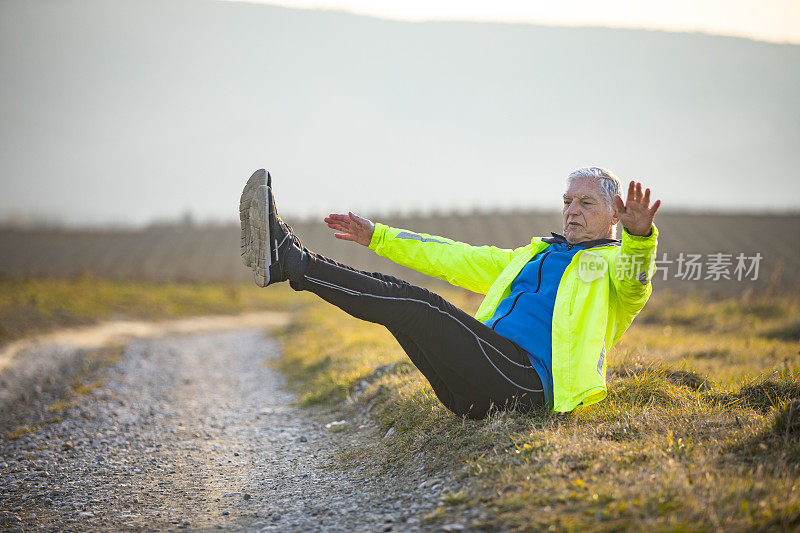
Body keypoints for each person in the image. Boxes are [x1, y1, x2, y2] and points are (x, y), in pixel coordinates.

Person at [239, 167, 660, 418]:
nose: (571, 211)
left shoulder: (611, 268)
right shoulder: (533, 256)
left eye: (586, 203)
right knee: (403, 301)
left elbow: (635, 284)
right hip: (476, 383)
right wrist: (378, 237)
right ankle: (291, 262)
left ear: (614, 216)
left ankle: (293, 262)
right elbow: (453, 257)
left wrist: (640, 238)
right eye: (568, 200)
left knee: (420, 307)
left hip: (529, 383)